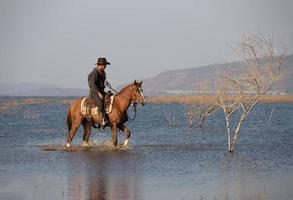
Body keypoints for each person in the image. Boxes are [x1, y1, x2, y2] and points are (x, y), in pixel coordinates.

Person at [88, 57, 111, 126]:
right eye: (104, 65)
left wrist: (105, 82)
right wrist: (98, 93)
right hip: (94, 91)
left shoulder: (103, 72)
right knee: (100, 103)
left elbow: (101, 81)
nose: (105, 66)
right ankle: (101, 120)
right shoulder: (95, 72)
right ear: (100, 65)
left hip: (101, 90)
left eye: (105, 65)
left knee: (111, 97)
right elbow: (91, 84)